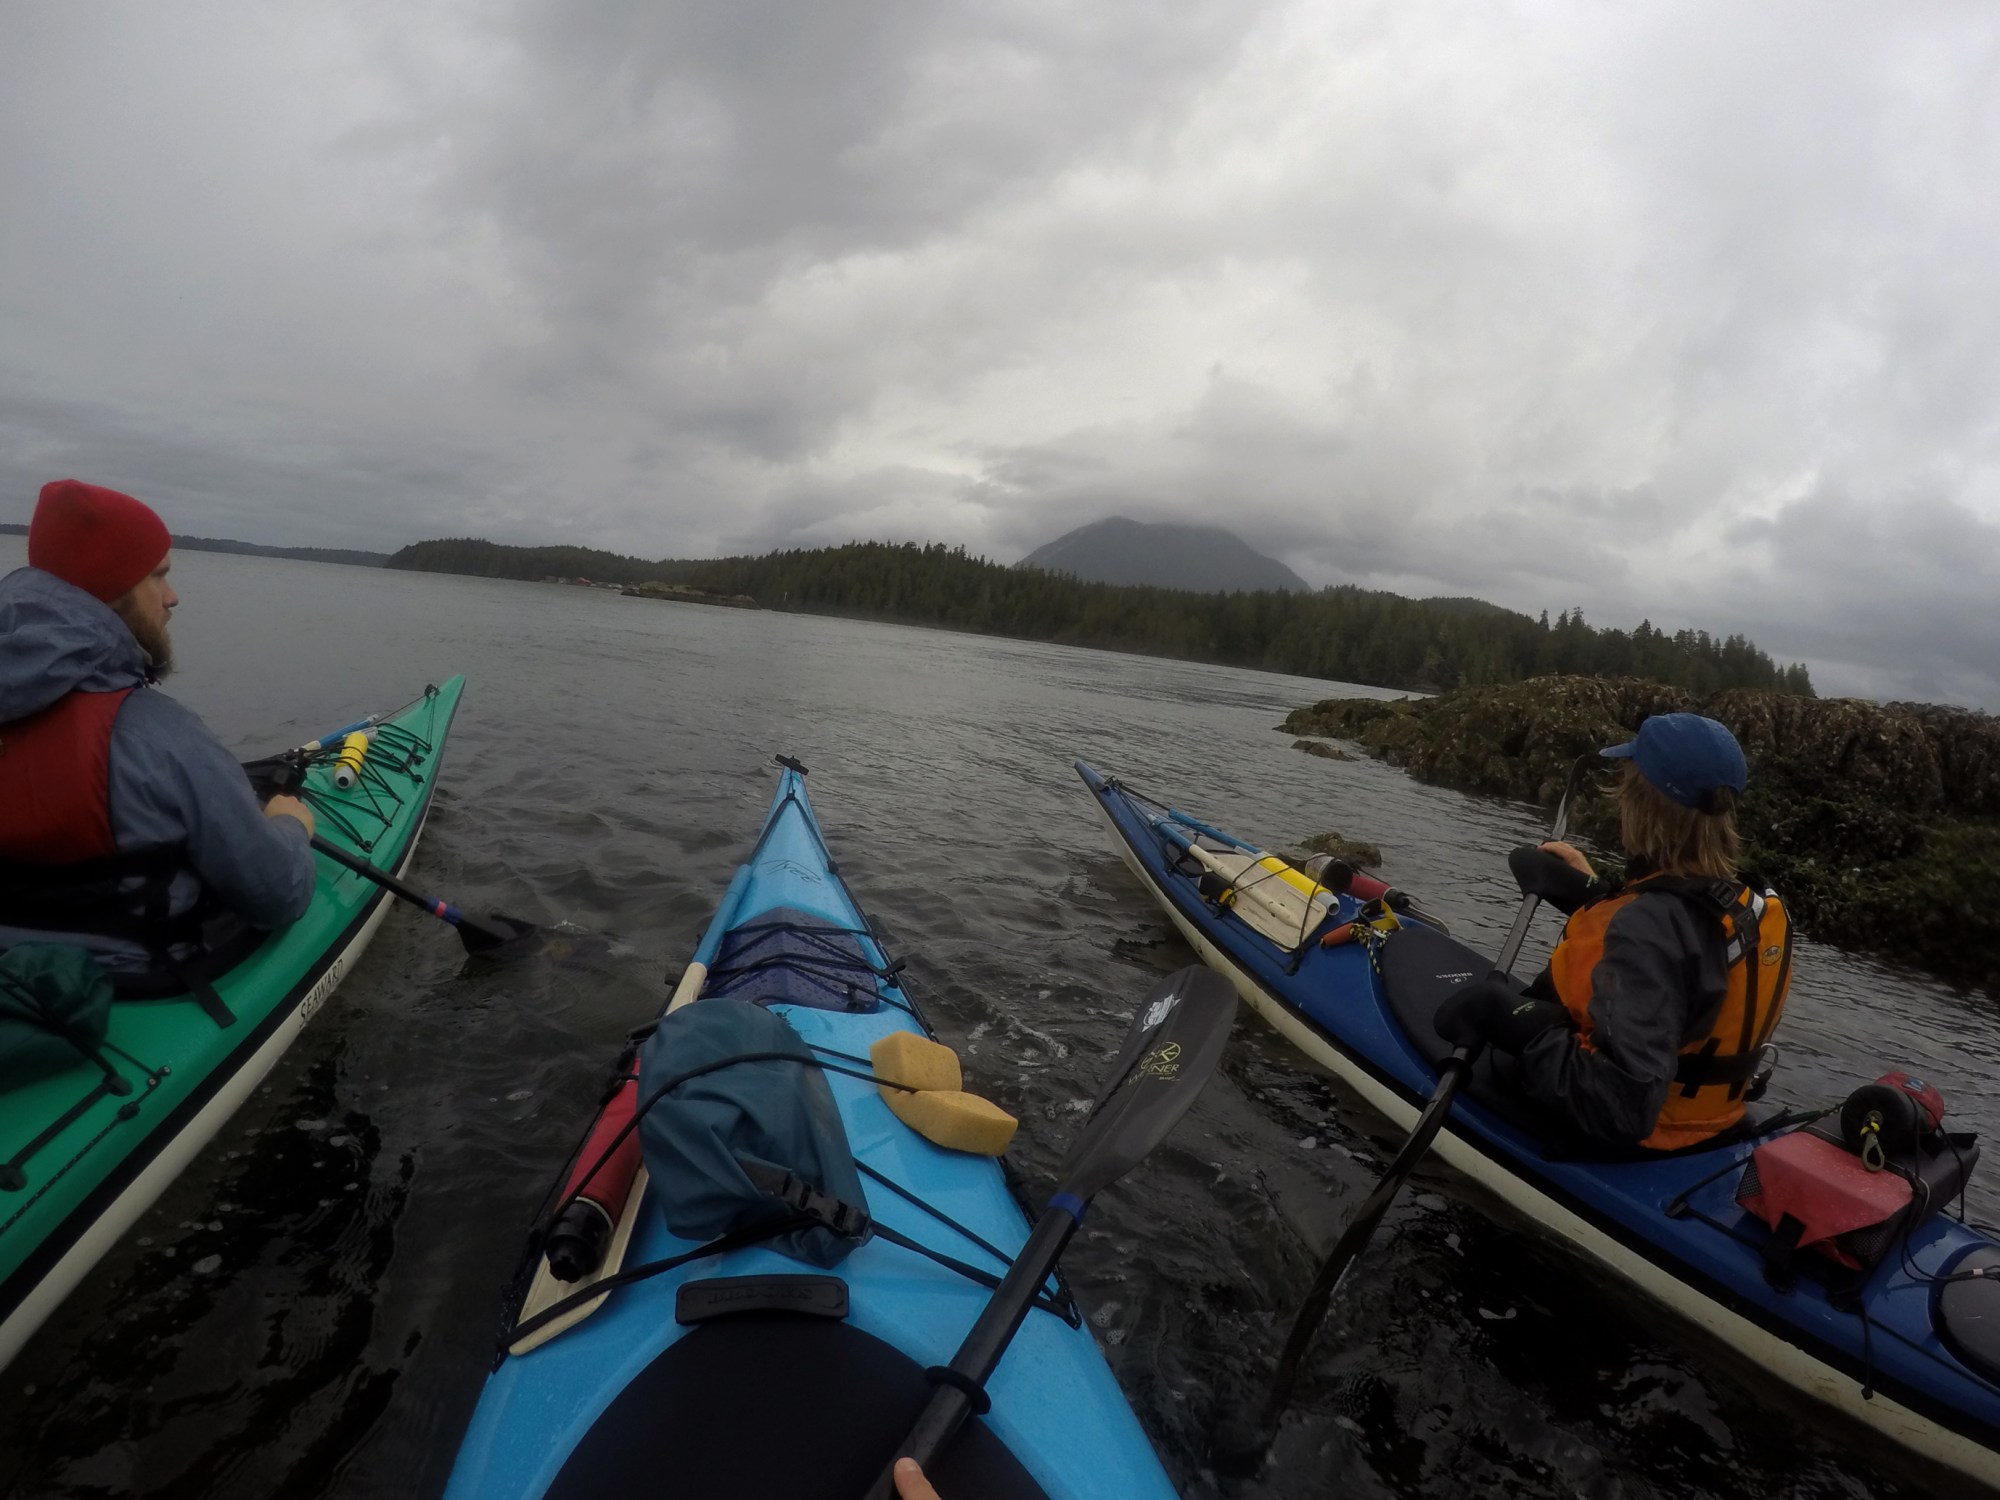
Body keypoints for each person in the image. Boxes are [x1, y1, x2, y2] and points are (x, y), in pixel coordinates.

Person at [0, 479, 318, 991]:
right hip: (136, 988)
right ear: (111, 588)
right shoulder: (163, 735)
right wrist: (290, 828)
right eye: (158, 575)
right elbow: (277, 894)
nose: (173, 597)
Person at [1435, 713, 1794, 1150]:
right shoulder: (1753, 902)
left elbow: (1622, 1104)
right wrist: (1595, 893)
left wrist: (1513, 1023)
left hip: (1641, 1135)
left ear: (1640, 803)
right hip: (1714, 1122)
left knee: (1514, 1011)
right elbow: (1688, 951)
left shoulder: (1647, 929)